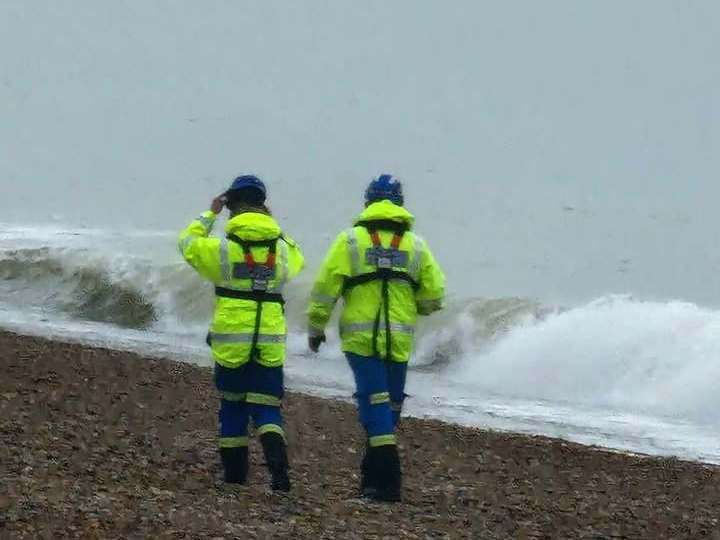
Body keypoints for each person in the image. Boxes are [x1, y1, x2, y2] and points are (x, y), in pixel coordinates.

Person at [307, 174, 445, 502]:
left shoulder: (350, 241)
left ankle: (374, 476)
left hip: (360, 340)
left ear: (367, 202)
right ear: (399, 204)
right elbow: (434, 296)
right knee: (387, 406)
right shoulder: (417, 246)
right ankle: (387, 482)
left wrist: (316, 327)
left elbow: (326, 289)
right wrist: (413, 304)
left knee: (380, 406)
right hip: (398, 342)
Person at [179, 175, 304, 491]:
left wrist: (210, 214)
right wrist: (274, 227)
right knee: (267, 407)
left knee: (232, 405)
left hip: (231, 339)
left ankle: (235, 476)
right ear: (263, 205)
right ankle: (278, 470)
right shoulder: (281, 249)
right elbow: (298, 259)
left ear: (231, 206)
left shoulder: (222, 250)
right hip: (269, 339)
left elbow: (187, 244)